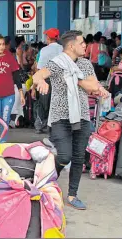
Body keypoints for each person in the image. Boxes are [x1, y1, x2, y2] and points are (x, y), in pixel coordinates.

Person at [33, 30, 109, 210]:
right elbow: (38, 75)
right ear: (71, 46)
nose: (85, 45)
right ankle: (46, 181)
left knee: (78, 157)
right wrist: (41, 82)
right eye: (82, 43)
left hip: (82, 116)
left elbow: (92, 86)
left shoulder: (85, 64)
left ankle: (73, 195)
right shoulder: (57, 63)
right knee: (65, 155)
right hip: (61, 116)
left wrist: (73, 78)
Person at [32, 28, 63, 134]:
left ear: (48, 38)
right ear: (58, 38)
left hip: (46, 79)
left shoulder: (44, 50)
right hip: (60, 80)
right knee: (57, 103)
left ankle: (40, 125)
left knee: (43, 103)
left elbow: (39, 68)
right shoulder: (63, 49)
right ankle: (53, 127)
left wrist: (35, 85)